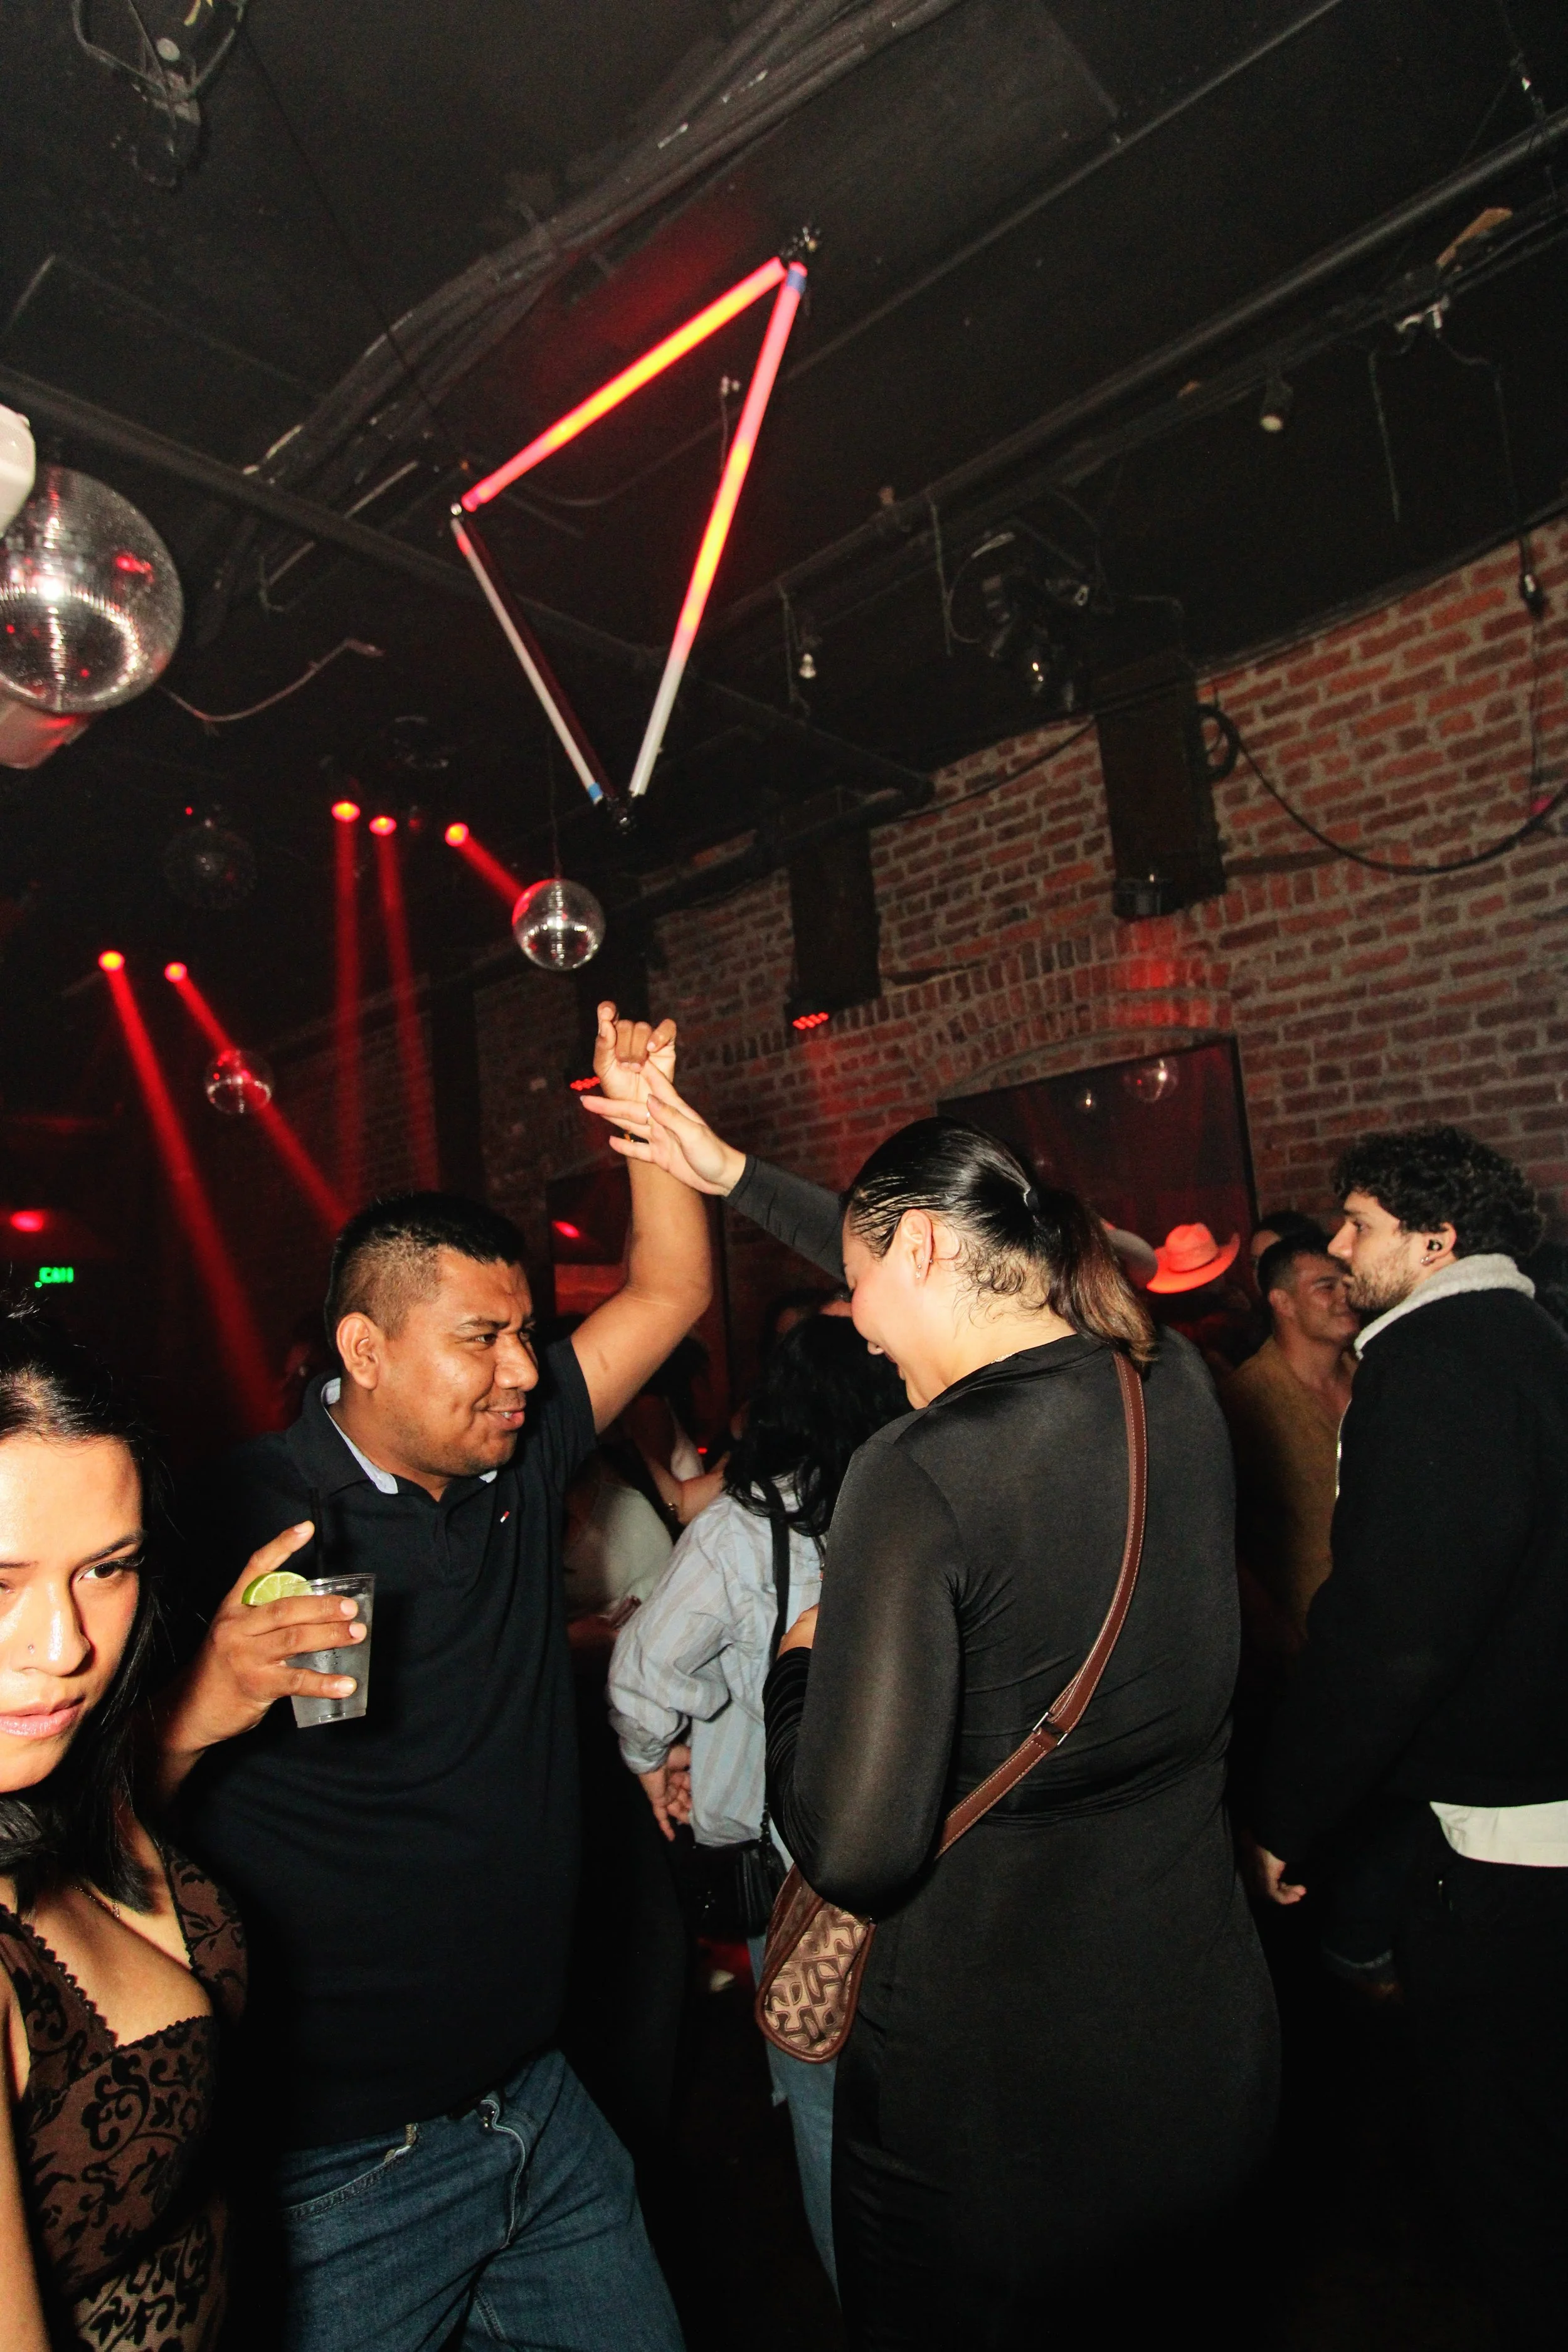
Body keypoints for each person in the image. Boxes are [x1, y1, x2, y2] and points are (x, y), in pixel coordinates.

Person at [581, 1079, 1279, 2345]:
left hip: (995, 2101)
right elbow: (940, 1250)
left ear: (918, 1249)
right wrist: (732, 1176)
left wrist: (798, 1667)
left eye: (855, 1287)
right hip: (1196, 2044)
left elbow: (856, 1850)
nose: (855, 1328)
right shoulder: (1167, 1381)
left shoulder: (915, 1470)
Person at [147, 1004, 707, 2352]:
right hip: (342, 2168)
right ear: (364, 1351)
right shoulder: (228, 1518)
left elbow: (670, 1293)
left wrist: (646, 1124)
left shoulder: (518, 1454)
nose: (522, 1370)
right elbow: (72, 1811)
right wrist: (195, 1706)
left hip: (539, 2105)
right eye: (481, 1338)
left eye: (526, 1333)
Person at [1251, 1124, 1568, 2350]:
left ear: (1437, 1242)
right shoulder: (1532, 1338)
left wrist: (1291, 1812)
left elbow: (1391, 1631)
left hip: (1506, 1843)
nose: (1339, 1247)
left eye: (1361, 1223)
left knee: (1507, 2160)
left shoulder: (1432, 1363)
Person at [607, 1313, 906, 2293]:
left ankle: (869, 2308)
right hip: (920, 1842)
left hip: (795, 1866)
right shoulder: (919, 1506)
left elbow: (643, 1674)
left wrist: (660, 1752)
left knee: (820, 2098)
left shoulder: (743, 1532)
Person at [0, 1308, 275, 2351]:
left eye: (106, 1568)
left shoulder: (63, 1779)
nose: (64, 1644)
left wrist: (202, 1702)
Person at [1220, 1230, 1357, 1659]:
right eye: (1326, 1287)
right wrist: (1275, 1632)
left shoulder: (1374, 1377)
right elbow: (1220, 1535)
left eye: (1347, 1283)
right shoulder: (1249, 1399)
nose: (1345, 1297)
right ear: (1282, 1302)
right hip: (1313, 1638)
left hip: (1393, 1624)